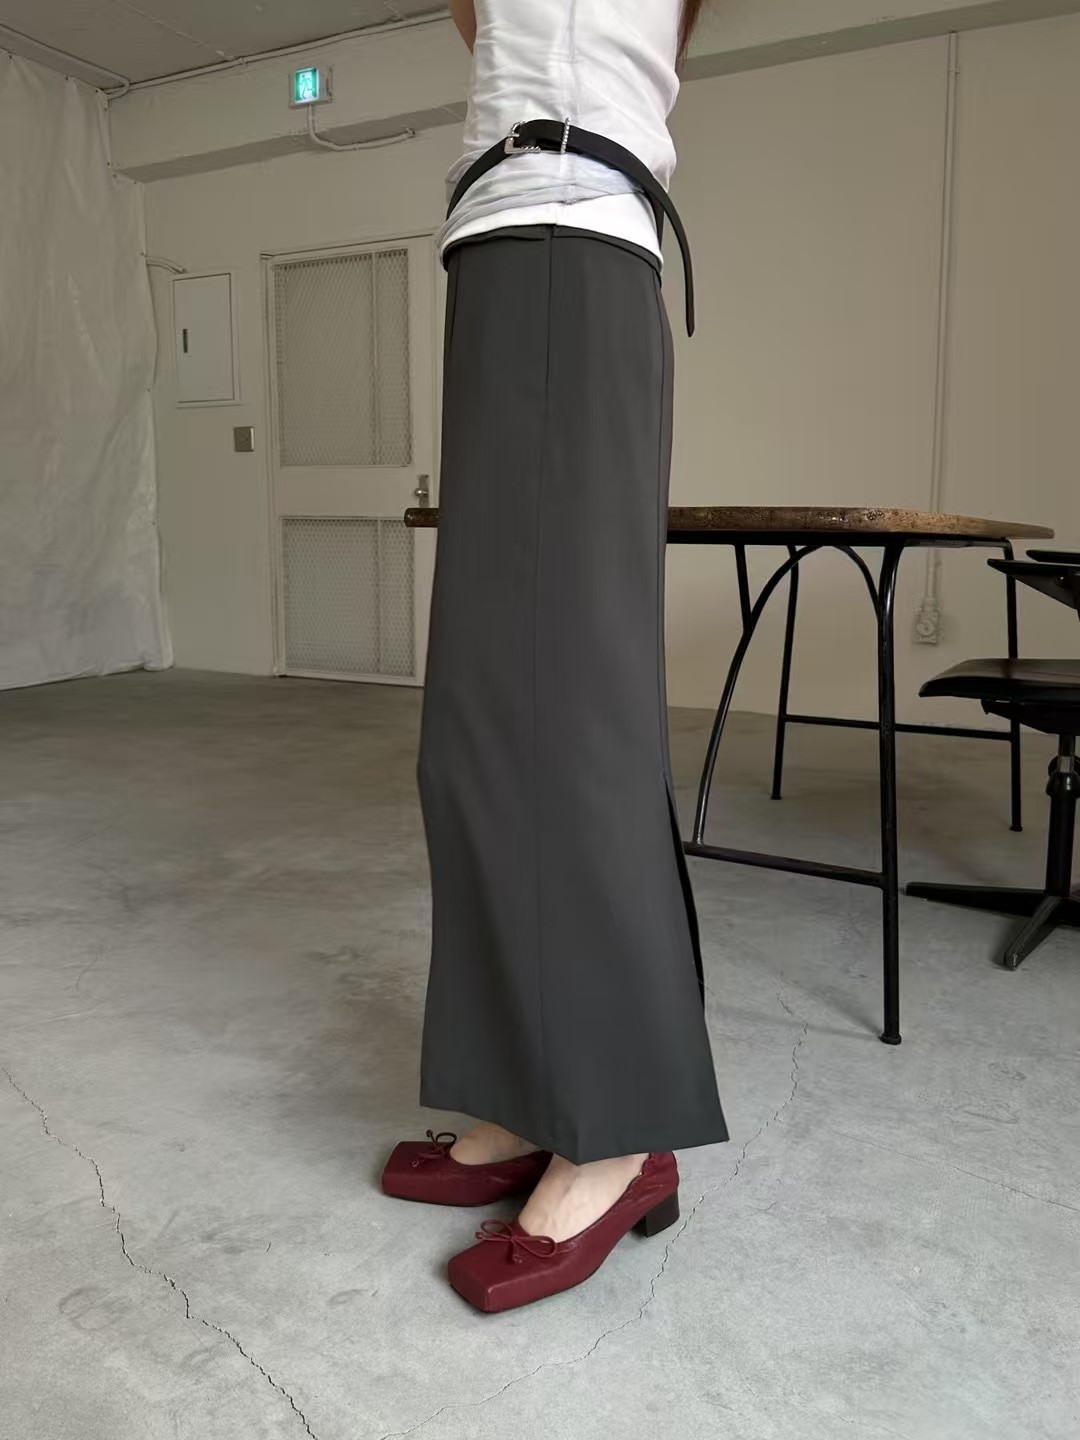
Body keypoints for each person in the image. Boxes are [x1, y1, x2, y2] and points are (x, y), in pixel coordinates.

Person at [382, 0, 728, 1313]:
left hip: (573, 240)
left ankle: (616, 1130)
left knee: (567, 720)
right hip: (498, 245)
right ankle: (531, 1090)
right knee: (479, 730)